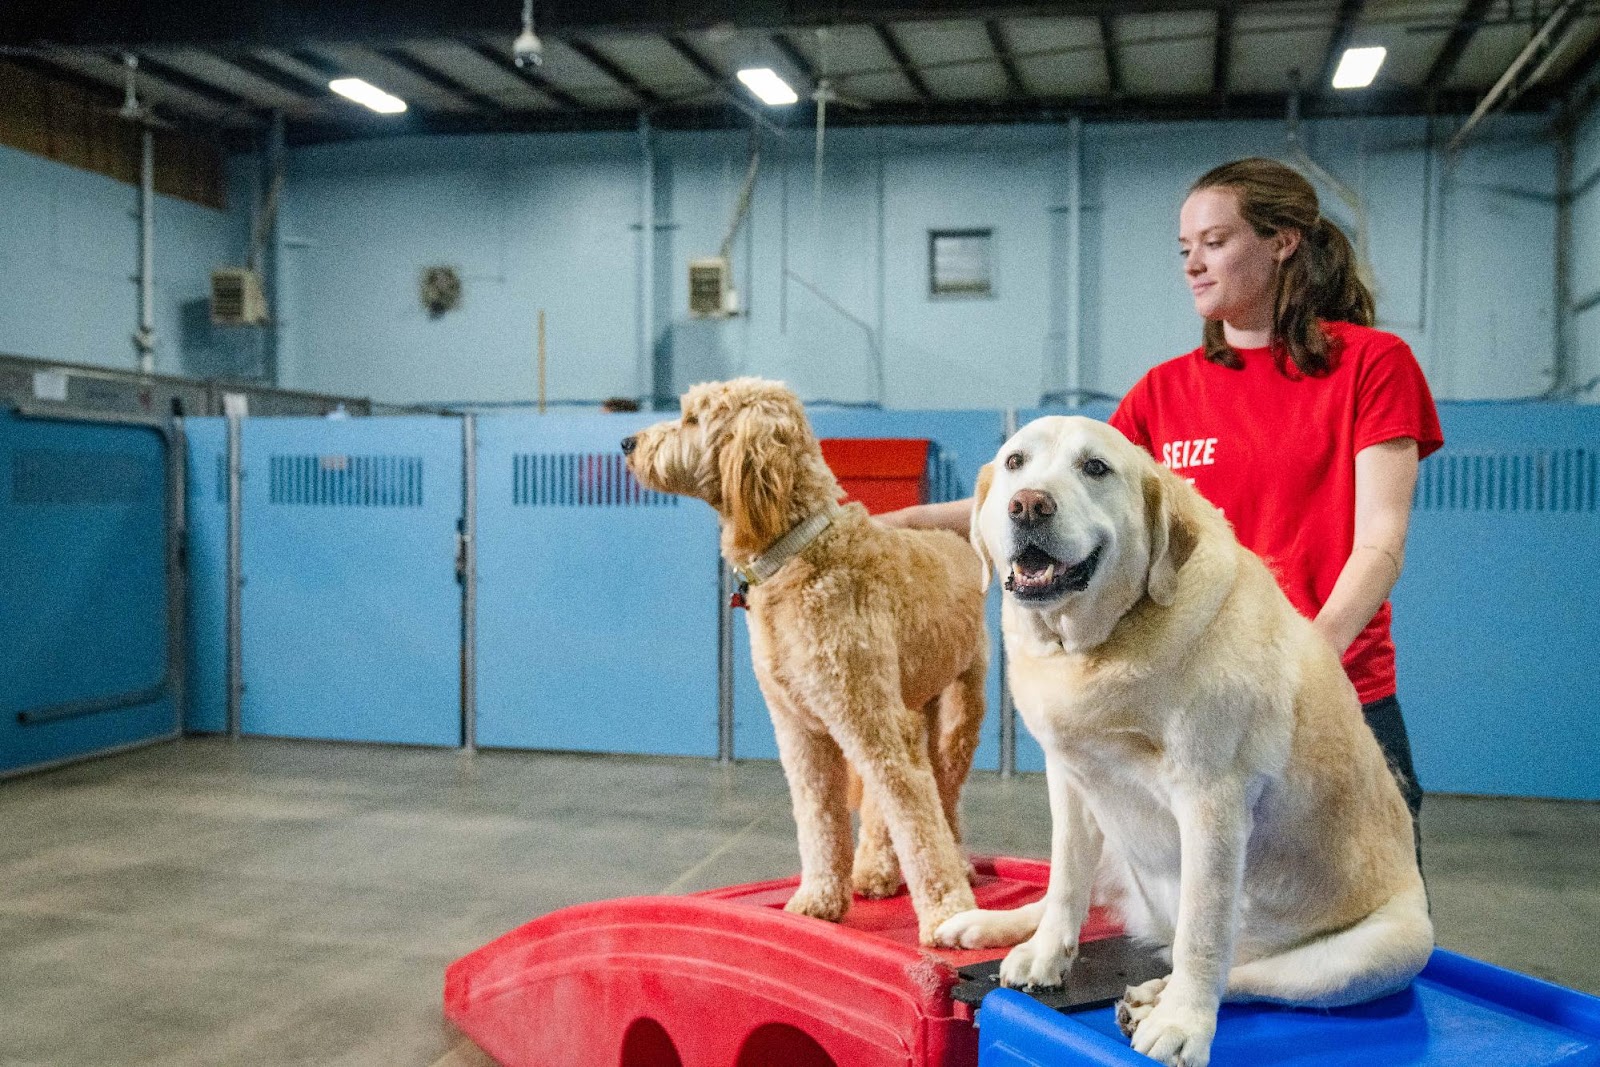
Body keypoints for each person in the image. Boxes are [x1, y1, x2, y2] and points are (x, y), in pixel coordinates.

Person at [884, 157, 1441, 836]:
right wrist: (911, 520)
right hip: (1201, 704)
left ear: (1282, 240)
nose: (1193, 265)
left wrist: (1311, 655)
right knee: (1207, 927)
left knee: (1375, 926)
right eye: (1185, 249)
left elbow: (1381, 539)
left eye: (1215, 242)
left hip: (1337, 689)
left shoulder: (1372, 364)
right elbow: (1066, 503)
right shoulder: (1164, 391)